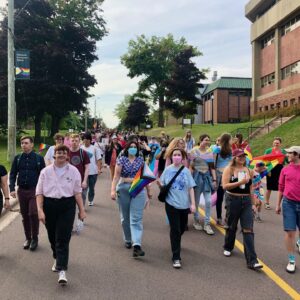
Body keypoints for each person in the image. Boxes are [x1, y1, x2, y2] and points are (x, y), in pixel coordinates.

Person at [36, 145, 86, 285]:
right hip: (49, 206)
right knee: (52, 236)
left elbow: (77, 192)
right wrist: (40, 210)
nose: (61, 154)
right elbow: (39, 192)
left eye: (64, 152)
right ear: (54, 155)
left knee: (63, 238)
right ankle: (56, 256)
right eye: (59, 152)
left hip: (67, 206)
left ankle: (62, 270)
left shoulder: (74, 171)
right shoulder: (45, 172)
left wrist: (82, 210)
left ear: (67, 155)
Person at [222, 148, 263, 270]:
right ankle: (228, 246)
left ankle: (252, 260)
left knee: (248, 230)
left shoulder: (248, 170)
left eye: (243, 156)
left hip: (245, 202)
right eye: (239, 156)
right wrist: (240, 182)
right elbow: (225, 186)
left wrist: (253, 203)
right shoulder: (229, 169)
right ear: (234, 157)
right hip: (232, 200)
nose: (242, 158)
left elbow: (250, 188)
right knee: (231, 226)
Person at [111, 141, 152, 258]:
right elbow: (116, 176)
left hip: (138, 188)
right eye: (131, 147)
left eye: (135, 147)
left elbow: (146, 176)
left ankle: (137, 245)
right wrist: (112, 190)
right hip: (123, 188)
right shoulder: (121, 160)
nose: (133, 149)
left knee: (136, 218)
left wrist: (149, 191)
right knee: (125, 217)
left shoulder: (141, 160)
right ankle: (128, 239)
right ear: (127, 148)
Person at [158, 148, 196, 269]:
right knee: (175, 229)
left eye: (179, 155)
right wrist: (159, 185)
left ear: (183, 157)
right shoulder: (168, 170)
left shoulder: (186, 171)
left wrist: (193, 204)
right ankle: (176, 257)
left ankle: (176, 241)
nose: (177, 157)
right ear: (171, 157)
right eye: (175, 155)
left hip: (184, 205)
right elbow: (162, 183)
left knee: (181, 228)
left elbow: (191, 188)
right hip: (171, 204)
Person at [9, 136, 45, 251]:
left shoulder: (39, 158)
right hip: (21, 191)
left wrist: (43, 191)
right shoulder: (18, 158)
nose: (23, 145)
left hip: (34, 190)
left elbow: (43, 176)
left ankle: (35, 238)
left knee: (33, 213)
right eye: (22, 143)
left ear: (32, 145)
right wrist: (12, 188)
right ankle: (28, 238)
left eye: (26, 143)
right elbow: (13, 173)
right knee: (25, 215)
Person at [276, 146, 300, 274]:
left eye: (290, 153)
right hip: (288, 204)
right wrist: (278, 204)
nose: (287, 155)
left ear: (296, 155)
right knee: (290, 233)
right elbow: (281, 187)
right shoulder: (285, 169)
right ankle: (291, 260)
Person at [190, 134, 216, 235]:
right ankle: (196, 221)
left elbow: (212, 167)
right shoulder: (193, 152)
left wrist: (214, 180)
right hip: (196, 178)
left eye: (209, 140)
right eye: (206, 140)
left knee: (208, 201)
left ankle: (207, 223)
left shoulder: (210, 152)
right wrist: (190, 180)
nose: (207, 142)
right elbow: (191, 167)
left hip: (207, 179)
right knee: (195, 201)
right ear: (200, 140)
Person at [213, 133, 232, 226]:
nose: (232, 141)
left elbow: (232, 163)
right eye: (230, 139)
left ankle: (227, 218)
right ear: (227, 140)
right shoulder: (217, 149)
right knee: (219, 198)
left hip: (229, 175)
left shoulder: (231, 150)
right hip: (219, 175)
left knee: (229, 198)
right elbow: (213, 163)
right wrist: (214, 178)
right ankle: (219, 217)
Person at [264, 137, 287, 209]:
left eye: (278, 143)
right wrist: (267, 170)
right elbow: (264, 161)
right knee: (269, 188)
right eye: (275, 142)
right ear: (273, 143)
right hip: (271, 169)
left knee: (281, 187)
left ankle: (279, 204)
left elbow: (287, 161)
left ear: (280, 144)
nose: (276, 144)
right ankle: (267, 203)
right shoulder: (268, 151)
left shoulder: (283, 151)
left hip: (280, 170)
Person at [81, 132, 102, 206]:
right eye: (84, 139)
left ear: (90, 140)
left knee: (91, 188)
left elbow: (99, 160)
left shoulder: (95, 149)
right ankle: (82, 203)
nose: (85, 141)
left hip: (93, 172)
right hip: (84, 172)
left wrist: (99, 169)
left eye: (87, 139)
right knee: (84, 189)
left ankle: (90, 199)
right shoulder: (80, 148)